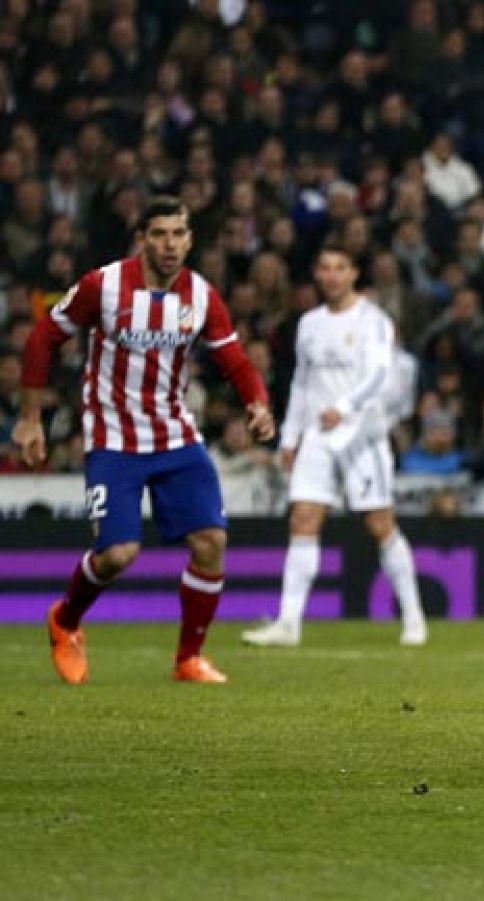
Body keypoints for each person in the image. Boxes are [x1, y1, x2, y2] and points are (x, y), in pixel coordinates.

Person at [14, 195, 277, 684]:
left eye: (178, 234)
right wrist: (30, 418)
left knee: (211, 541)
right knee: (117, 555)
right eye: (159, 234)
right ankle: (65, 621)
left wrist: (257, 403)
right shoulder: (104, 285)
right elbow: (43, 338)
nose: (169, 244)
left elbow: (235, 360)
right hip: (113, 437)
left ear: (190, 240)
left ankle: (188, 659)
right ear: (142, 240)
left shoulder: (201, 296)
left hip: (174, 434)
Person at [243, 244, 428, 647]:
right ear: (317, 274)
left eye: (340, 268)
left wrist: (343, 408)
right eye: (324, 268)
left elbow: (379, 374)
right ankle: (288, 624)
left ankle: (414, 617)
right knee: (303, 519)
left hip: (361, 434)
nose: (331, 276)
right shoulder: (309, 323)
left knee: (380, 524)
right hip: (317, 436)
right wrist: (290, 436)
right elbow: (301, 383)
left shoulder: (373, 321)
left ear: (354, 273)